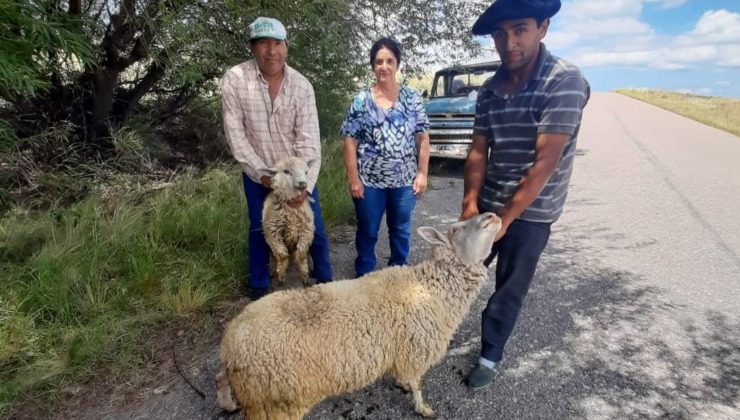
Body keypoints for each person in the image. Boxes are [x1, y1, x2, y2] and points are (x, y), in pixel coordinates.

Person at [460, 0, 590, 389]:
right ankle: (437, 327)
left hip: (532, 212)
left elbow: (543, 165)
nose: (509, 42)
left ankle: (489, 354)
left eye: (519, 29)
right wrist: (470, 202)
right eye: (500, 34)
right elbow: (478, 151)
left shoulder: (563, 81)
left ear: (543, 28)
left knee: (510, 284)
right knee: (461, 269)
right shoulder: (489, 89)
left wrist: (507, 221)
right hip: (489, 201)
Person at [221, 16, 333, 300]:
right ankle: (259, 286)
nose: (271, 51)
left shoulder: (302, 86)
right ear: (252, 48)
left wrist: (301, 186)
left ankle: (326, 280)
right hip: (258, 172)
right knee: (261, 227)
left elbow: (309, 143)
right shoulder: (235, 80)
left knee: (313, 226)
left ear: (286, 46)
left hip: (297, 175)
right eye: (263, 43)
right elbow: (237, 137)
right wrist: (266, 177)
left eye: (277, 43)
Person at [340, 37, 430, 278]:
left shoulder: (412, 99)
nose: (384, 67)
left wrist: (422, 173)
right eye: (379, 61)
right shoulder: (360, 101)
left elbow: (422, 137)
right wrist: (353, 178)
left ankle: (397, 276)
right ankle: (364, 277)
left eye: (390, 61)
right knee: (368, 231)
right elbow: (349, 140)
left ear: (397, 64)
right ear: (372, 66)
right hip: (369, 182)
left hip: (403, 182)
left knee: (400, 231)